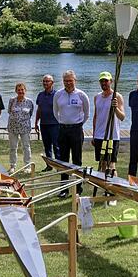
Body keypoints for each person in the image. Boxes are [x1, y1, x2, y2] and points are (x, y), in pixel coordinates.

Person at [53, 70, 89, 198]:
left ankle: (78, 188)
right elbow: (55, 112)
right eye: (66, 80)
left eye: (70, 80)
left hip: (76, 130)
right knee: (63, 160)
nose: (68, 83)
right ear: (63, 81)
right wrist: (64, 123)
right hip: (62, 129)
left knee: (77, 159)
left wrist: (77, 124)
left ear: (75, 80)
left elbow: (87, 113)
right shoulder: (58, 95)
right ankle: (64, 189)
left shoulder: (81, 95)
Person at [92, 71, 125, 205]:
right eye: (102, 81)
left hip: (112, 135)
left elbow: (122, 117)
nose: (104, 83)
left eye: (106, 81)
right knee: (102, 164)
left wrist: (116, 107)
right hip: (99, 135)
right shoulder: (97, 97)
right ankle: (104, 188)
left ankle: (113, 193)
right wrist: (94, 134)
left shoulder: (117, 96)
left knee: (111, 165)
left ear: (111, 81)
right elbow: (95, 116)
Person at [34, 74, 60, 171]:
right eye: (44, 81)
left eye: (47, 81)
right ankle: (49, 165)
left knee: (56, 146)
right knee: (47, 146)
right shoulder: (40, 95)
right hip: (43, 124)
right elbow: (39, 109)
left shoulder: (57, 94)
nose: (45, 83)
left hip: (55, 124)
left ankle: (59, 166)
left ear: (52, 83)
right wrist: (36, 122)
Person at [7, 82, 34, 173]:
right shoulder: (12, 100)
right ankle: (12, 166)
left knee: (26, 146)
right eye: (18, 90)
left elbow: (30, 114)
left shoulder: (29, 102)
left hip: (25, 128)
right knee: (13, 147)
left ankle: (27, 166)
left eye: (22, 89)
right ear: (16, 91)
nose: (20, 91)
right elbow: (9, 111)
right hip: (12, 128)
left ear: (25, 90)